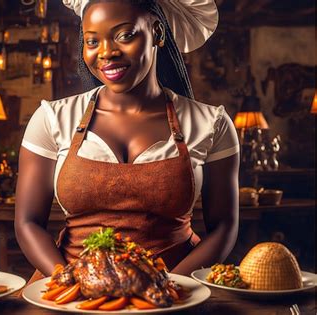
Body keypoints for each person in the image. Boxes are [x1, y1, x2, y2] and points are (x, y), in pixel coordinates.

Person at [15, 0, 240, 280]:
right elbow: (28, 222)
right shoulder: (52, 118)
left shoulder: (211, 124)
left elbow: (224, 228)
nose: (107, 53)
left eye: (125, 35)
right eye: (92, 41)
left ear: (158, 33)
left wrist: (169, 286)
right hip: (69, 288)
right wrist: (68, 279)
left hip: (177, 287)